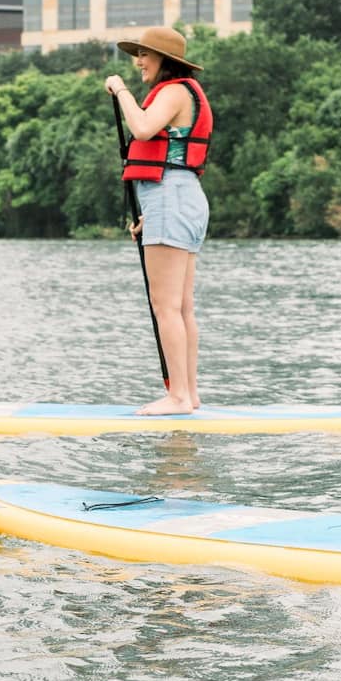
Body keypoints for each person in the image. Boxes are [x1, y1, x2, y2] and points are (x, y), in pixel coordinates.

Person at [105, 27, 212, 416]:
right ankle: (189, 394)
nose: (138, 62)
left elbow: (144, 128)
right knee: (181, 307)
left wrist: (121, 91)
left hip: (172, 198)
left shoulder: (172, 92)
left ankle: (178, 396)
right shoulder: (183, 93)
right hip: (180, 199)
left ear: (165, 59)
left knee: (165, 306)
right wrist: (151, 217)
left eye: (144, 55)